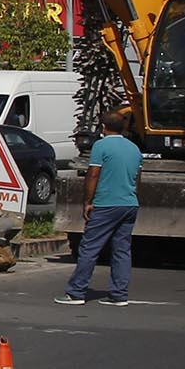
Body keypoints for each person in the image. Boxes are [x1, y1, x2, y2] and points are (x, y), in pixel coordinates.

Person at [61, 107, 143, 307]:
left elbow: (93, 174)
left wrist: (88, 201)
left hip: (106, 203)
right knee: (122, 249)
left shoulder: (101, 146)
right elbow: (137, 178)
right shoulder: (134, 148)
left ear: (104, 127)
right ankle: (119, 294)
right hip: (129, 203)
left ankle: (76, 291)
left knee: (89, 248)